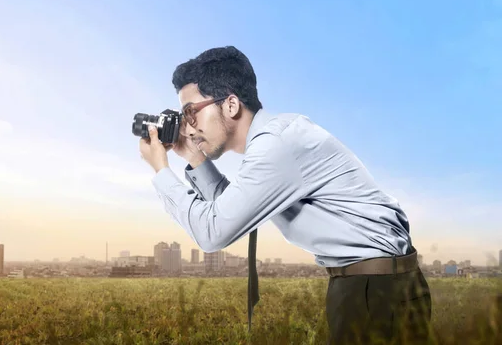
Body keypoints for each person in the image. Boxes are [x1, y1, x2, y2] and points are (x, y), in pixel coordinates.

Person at [139, 45, 432, 344]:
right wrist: (193, 156)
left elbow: (213, 231)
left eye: (191, 113)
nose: (188, 126)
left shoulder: (276, 145)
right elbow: (232, 210)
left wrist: (161, 171)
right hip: (368, 284)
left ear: (230, 105)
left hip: (376, 288)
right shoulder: (272, 144)